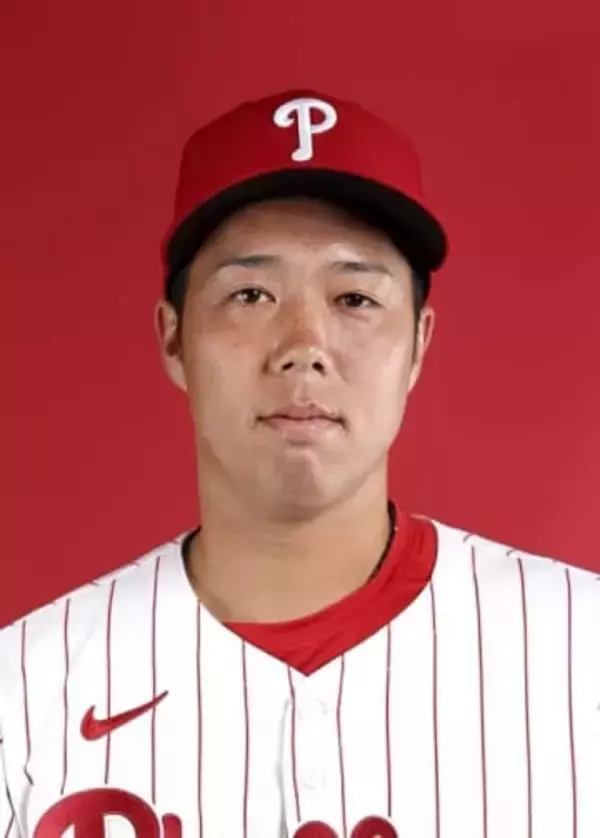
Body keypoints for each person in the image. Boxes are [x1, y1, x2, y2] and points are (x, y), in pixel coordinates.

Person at [0, 89, 597, 838]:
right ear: (174, 339)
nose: (304, 346)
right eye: (250, 294)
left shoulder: (583, 650)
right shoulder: (24, 694)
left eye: (355, 298)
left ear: (419, 344)